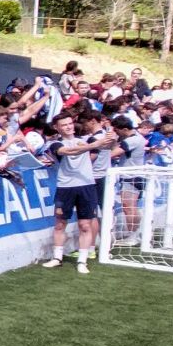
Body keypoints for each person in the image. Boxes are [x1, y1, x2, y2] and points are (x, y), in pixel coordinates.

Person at [40, 112, 110, 274]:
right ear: (57, 128)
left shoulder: (86, 139)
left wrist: (109, 137)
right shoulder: (55, 144)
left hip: (86, 185)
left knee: (85, 224)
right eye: (64, 125)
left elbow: (107, 145)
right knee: (60, 223)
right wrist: (94, 145)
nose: (69, 126)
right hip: (65, 187)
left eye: (70, 123)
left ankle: (82, 260)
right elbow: (68, 152)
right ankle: (57, 258)